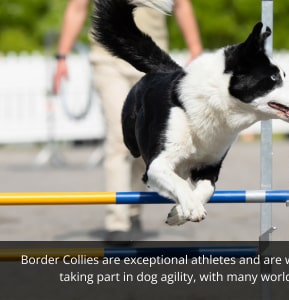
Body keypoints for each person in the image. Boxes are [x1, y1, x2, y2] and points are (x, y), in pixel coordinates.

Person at [52, 0, 203, 243]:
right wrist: (61, 56)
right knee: (118, 141)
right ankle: (117, 220)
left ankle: (132, 210)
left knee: (144, 143)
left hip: (151, 59)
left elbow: (182, 5)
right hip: (108, 60)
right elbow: (77, 7)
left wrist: (195, 48)